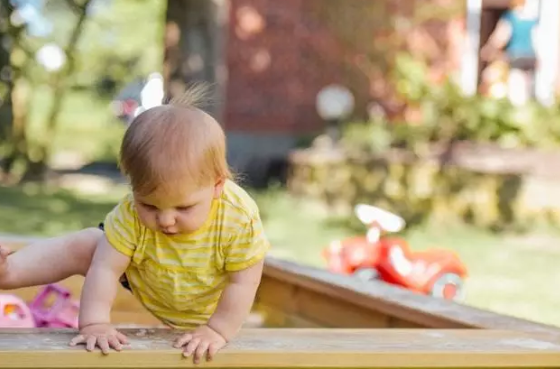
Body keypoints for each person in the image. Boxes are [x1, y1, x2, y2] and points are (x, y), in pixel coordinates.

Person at [0, 83, 270, 363]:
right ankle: (10, 272)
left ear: (216, 186)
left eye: (184, 207)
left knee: (241, 278)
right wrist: (95, 323)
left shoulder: (238, 218)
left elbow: (243, 282)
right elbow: (105, 269)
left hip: (209, 298)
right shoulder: (129, 213)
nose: (165, 220)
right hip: (150, 276)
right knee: (90, 244)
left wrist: (217, 330)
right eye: (149, 205)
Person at [481, 0, 540, 105]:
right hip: (530, 57)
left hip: (516, 56)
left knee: (516, 90)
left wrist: (489, 49)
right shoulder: (532, 19)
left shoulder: (511, 17)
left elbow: (501, 36)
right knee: (529, 88)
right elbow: (537, 39)